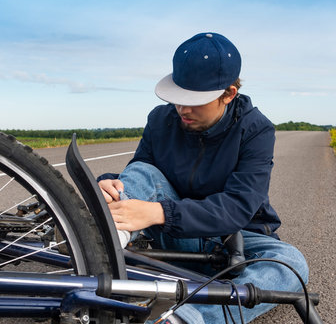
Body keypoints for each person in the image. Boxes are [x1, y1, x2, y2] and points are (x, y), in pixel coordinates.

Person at [97, 32, 309, 324]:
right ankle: (104, 238)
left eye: (194, 101)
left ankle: (186, 319)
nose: (182, 108)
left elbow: (238, 206)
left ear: (229, 94)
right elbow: (143, 171)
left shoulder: (257, 130)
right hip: (170, 232)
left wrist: (157, 211)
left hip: (233, 238)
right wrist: (111, 184)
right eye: (178, 97)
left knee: (292, 264)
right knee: (144, 171)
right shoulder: (160, 119)